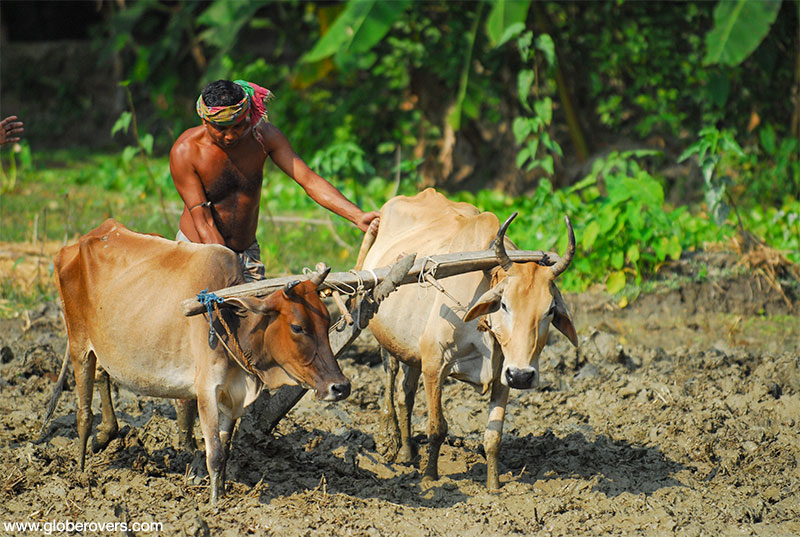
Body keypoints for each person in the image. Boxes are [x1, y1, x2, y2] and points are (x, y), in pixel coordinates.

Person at [170, 79, 379, 281]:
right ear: (205, 121)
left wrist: (357, 216)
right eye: (221, 129)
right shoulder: (186, 152)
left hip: (246, 252)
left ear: (248, 116)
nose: (231, 136)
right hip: (199, 250)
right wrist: (229, 271)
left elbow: (308, 180)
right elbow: (203, 220)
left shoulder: (263, 137)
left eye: (238, 126)